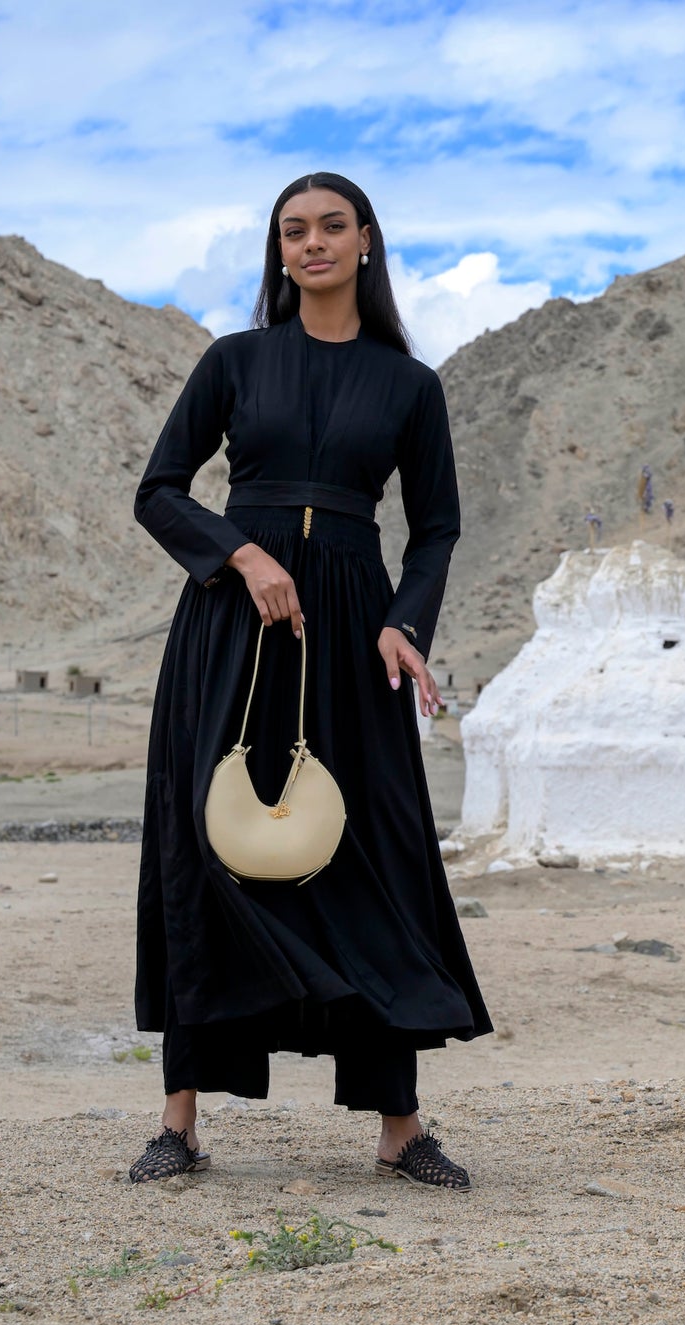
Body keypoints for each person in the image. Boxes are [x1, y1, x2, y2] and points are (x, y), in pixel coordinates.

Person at [128, 172, 491, 1191]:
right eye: (294, 230)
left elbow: (435, 527)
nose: (313, 242)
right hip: (231, 631)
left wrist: (402, 621)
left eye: (332, 225)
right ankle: (180, 1119)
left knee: (369, 853)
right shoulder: (233, 361)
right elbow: (158, 490)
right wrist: (238, 555)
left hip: (351, 636)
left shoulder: (408, 385)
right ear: (276, 251)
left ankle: (399, 1126)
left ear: (367, 241)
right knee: (212, 853)